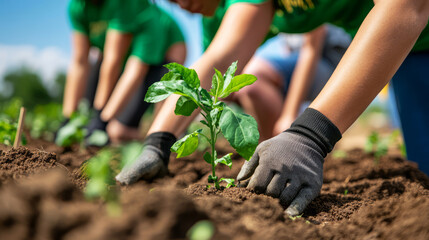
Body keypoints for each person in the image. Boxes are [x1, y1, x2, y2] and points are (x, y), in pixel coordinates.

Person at [116, 0, 429, 217]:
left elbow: (404, 5)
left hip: (409, 26)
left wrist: (310, 136)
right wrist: (158, 141)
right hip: (410, 47)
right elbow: (216, 59)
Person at [61, 0, 186, 144]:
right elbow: (80, 61)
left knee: (117, 130)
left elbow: (121, 64)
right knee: (91, 116)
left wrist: (102, 117)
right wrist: (68, 117)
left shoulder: (126, 5)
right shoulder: (77, 7)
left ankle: (162, 136)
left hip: (164, 50)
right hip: (125, 55)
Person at [231, 25, 350, 140]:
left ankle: (278, 145)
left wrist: (289, 114)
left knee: (254, 77)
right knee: (245, 85)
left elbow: (311, 50)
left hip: (333, 66)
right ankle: (270, 146)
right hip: (300, 64)